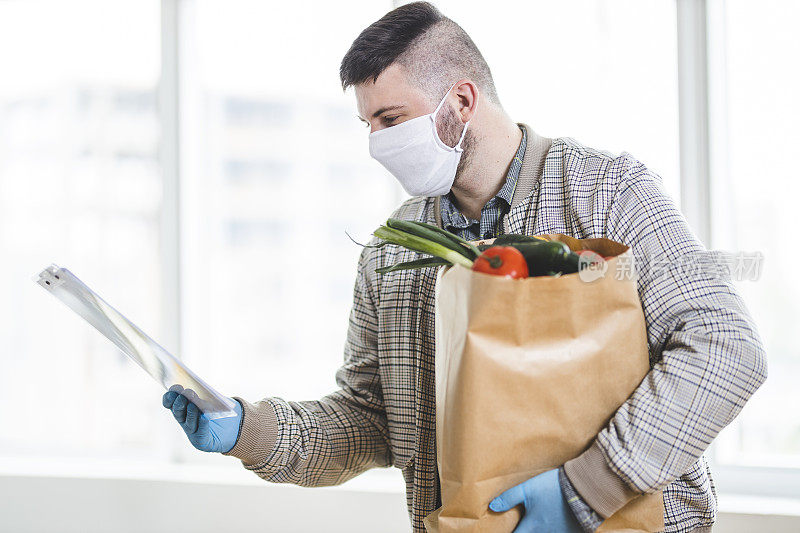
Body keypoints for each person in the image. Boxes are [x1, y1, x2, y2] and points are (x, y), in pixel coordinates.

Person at [162, 2, 767, 532]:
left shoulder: (606, 194)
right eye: (368, 124)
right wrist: (250, 429)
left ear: (461, 101)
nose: (376, 142)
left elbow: (726, 347)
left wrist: (586, 490)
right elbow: (369, 418)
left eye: (391, 120)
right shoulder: (393, 254)